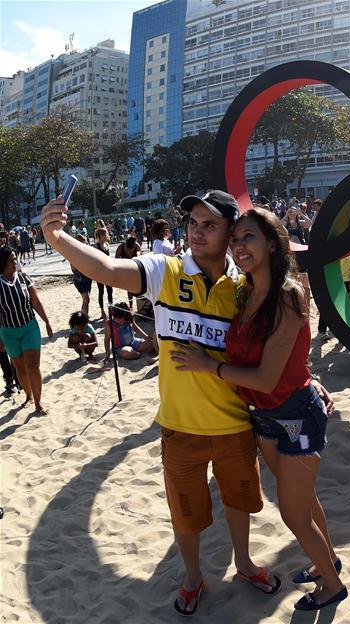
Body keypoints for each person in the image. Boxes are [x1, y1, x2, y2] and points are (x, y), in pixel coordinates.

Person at [41, 191, 280, 617]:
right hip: (178, 425)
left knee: (239, 502)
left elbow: (276, 341)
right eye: (192, 223)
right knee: (185, 514)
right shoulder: (164, 270)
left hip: (235, 425)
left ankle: (243, 563)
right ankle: (193, 576)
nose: (197, 232)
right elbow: (106, 268)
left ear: (229, 233)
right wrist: (57, 238)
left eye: (210, 225)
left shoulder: (246, 287)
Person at [169, 208, 346, 612]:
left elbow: (267, 377)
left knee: (293, 515)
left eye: (248, 237)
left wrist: (207, 365)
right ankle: (327, 561)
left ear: (271, 243)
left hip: (295, 414)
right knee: (305, 503)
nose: (239, 246)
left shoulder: (288, 294)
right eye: (235, 240)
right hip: (263, 416)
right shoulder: (247, 293)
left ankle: (332, 586)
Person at [0, 246, 52, 413]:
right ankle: (28, 396)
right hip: (8, 332)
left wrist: (47, 321)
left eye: (15, 258)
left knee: (32, 365)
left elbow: (35, 302)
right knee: (19, 367)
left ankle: (38, 403)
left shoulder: (24, 278)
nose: (15, 262)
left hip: (29, 327)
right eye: (11, 260)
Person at [93, 227, 114, 319]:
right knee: (101, 291)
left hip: (108, 272)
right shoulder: (96, 246)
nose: (107, 236)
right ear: (101, 236)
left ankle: (111, 308)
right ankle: (102, 311)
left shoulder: (107, 244)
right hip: (99, 272)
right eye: (105, 234)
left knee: (110, 290)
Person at [71, 234, 93, 317]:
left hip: (87, 278)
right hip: (80, 280)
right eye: (82, 243)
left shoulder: (85, 252)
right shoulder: (73, 254)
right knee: (86, 300)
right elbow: (73, 269)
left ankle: (84, 318)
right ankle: (83, 320)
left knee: (87, 300)